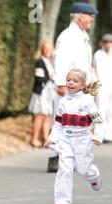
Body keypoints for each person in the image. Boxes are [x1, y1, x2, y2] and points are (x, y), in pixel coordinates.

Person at [48, 2, 98, 172]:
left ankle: (71, 157)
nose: (92, 19)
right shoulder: (68, 35)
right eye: (90, 15)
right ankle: (54, 157)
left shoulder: (81, 36)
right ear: (81, 16)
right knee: (62, 121)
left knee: (76, 122)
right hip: (68, 87)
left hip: (80, 88)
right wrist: (61, 83)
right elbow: (61, 60)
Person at [44, 69, 103, 204]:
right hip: (66, 139)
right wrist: (52, 139)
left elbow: (98, 121)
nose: (71, 82)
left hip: (83, 139)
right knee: (65, 168)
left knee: (83, 170)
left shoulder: (88, 101)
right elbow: (58, 123)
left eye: (75, 81)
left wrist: (97, 136)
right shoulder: (63, 101)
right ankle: (62, 201)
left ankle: (94, 177)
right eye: (68, 80)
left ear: (82, 85)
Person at [28, 40, 57, 147]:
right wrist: (49, 77)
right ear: (42, 50)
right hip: (41, 93)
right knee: (40, 115)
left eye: (50, 48)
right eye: (45, 48)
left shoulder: (51, 62)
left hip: (49, 93)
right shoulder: (40, 62)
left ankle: (46, 139)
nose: (48, 51)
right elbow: (39, 77)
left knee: (47, 116)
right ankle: (34, 139)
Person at [93, 33, 112, 142]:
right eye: (106, 42)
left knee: (111, 111)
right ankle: (99, 134)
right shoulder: (98, 54)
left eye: (110, 42)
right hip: (101, 86)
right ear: (103, 43)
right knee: (100, 110)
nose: (108, 45)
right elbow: (94, 71)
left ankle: (109, 134)